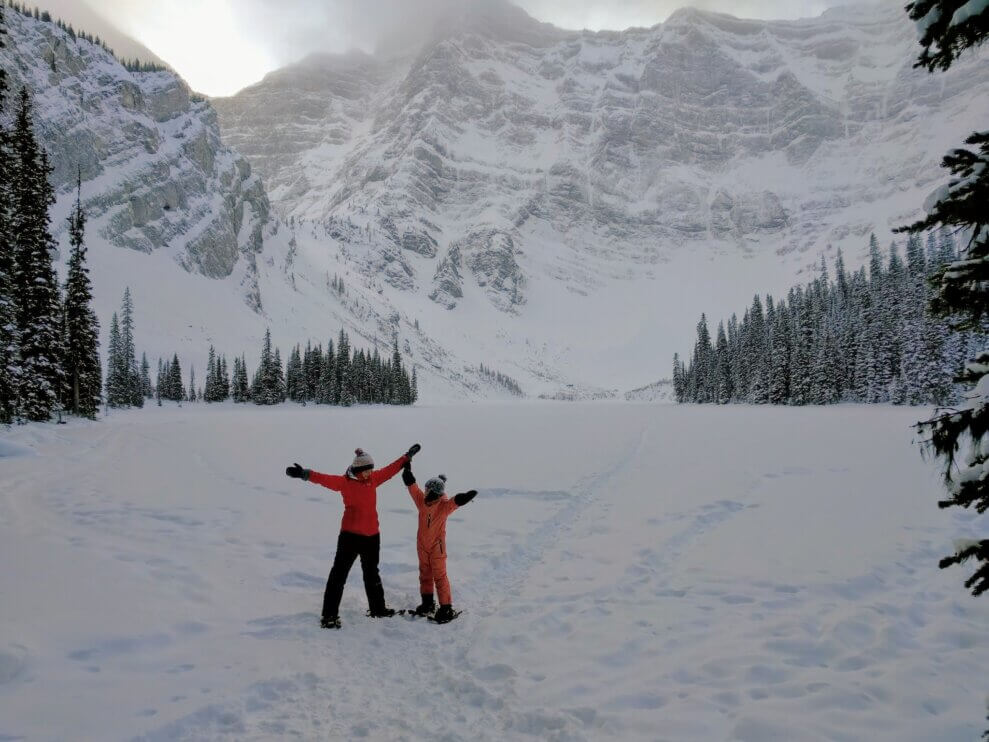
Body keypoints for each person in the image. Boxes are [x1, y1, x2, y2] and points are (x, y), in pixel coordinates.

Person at [286, 443, 420, 629]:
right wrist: (304, 474)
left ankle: (378, 609)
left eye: (371, 470)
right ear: (358, 469)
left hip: (372, 536)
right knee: (338, 576)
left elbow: (390, 470)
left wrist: (406, 457)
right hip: (350, 537)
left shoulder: (373, 479)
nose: (369, 474)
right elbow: (323, 479)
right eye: (366, 471)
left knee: (372, 574)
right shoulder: (345, 483)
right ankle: (329, 616)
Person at [402, 460, 477, 623]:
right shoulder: (422, 501)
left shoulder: (443, 506)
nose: (426, 491)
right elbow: (412, 487)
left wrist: (465, 497)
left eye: (428, 489)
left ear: (433, 492)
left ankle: (446, 608)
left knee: (440, 577)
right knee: (425, 575)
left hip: (437, 548)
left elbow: (454, 502)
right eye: (426, 488)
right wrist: (407, 471)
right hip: (422, 546)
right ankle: (428, 604)